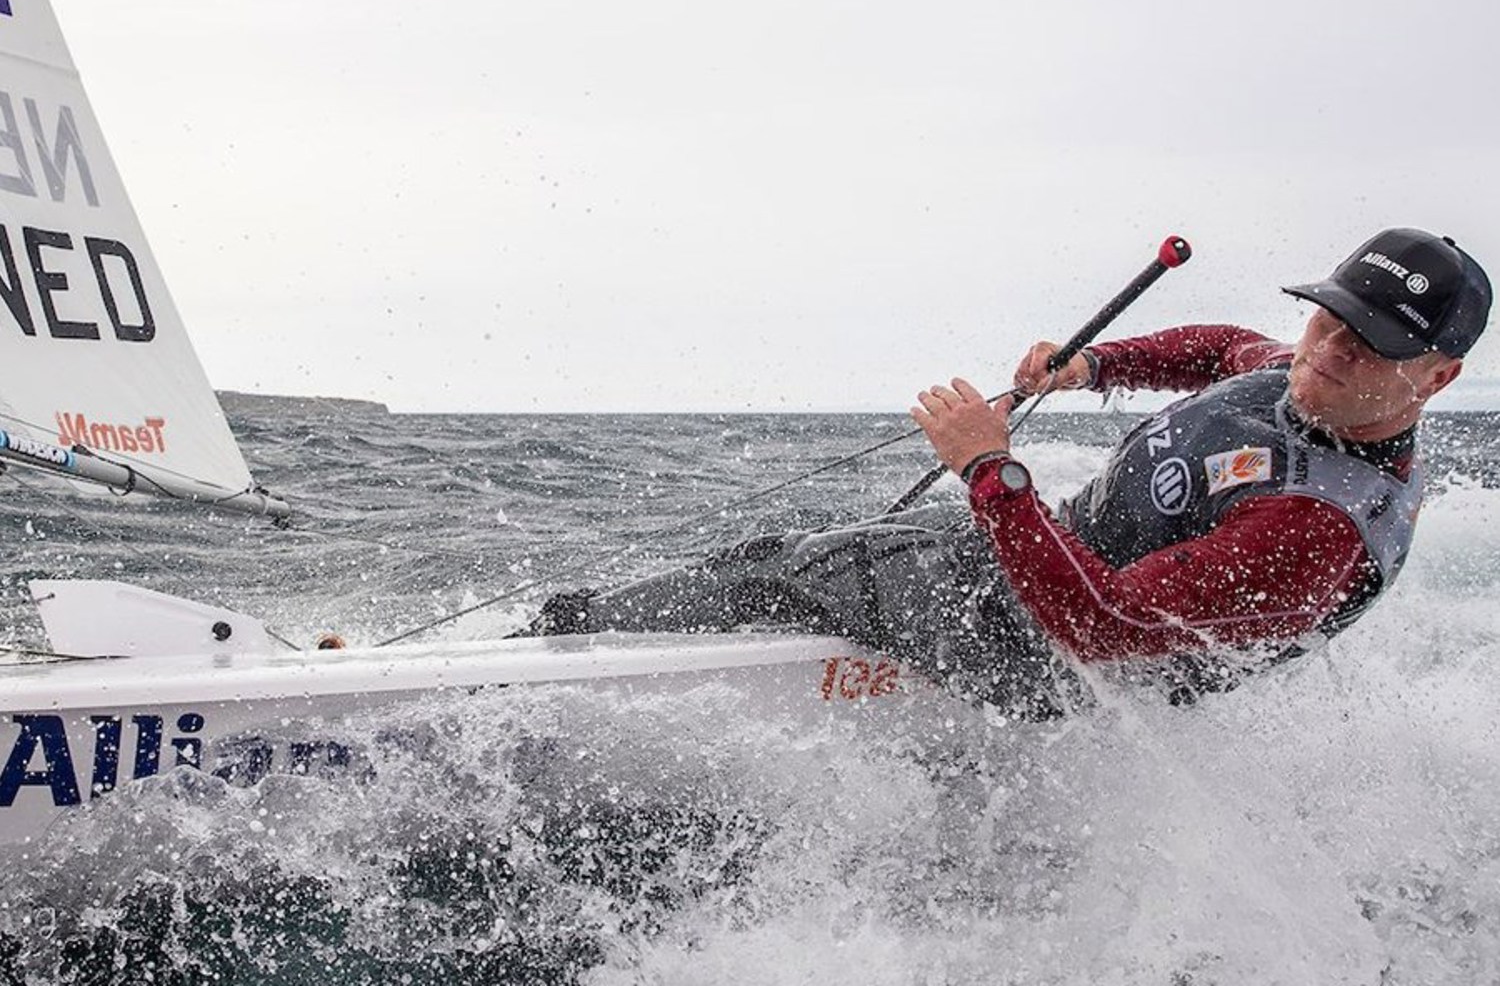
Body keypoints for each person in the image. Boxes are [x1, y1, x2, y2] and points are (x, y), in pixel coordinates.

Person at [523, 228, 1491, 715]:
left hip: (1061, 667)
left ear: (1438, 377)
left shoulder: (1312, 529)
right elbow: (1219, 346)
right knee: (813, 550)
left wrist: (992, 469)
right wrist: (1095, 365)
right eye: (1328, 319)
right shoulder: (1292, 370)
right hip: (1044, 560)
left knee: (792, 565)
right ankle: (575, 641)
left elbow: (1102, 629)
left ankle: (543, 651)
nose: (1329, 351)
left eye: (1373, 343)